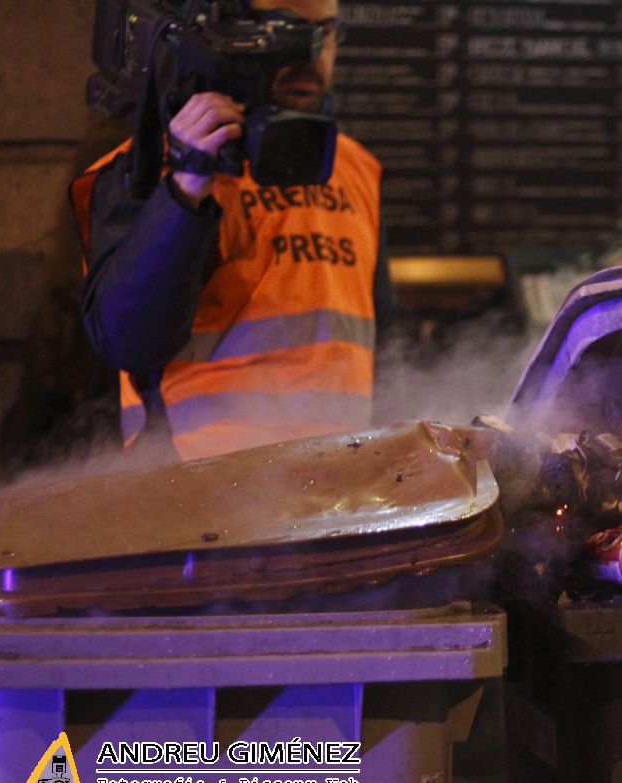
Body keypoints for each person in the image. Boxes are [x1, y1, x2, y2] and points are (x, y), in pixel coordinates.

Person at [71, 0, 398, 462]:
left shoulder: (354, 167)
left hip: (336, 488)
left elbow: (383, 344)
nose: (312, 53)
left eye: (325, 32)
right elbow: (129, 340)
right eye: (285, 30)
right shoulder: (148, 169)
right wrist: (185, 190)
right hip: (200, 495)